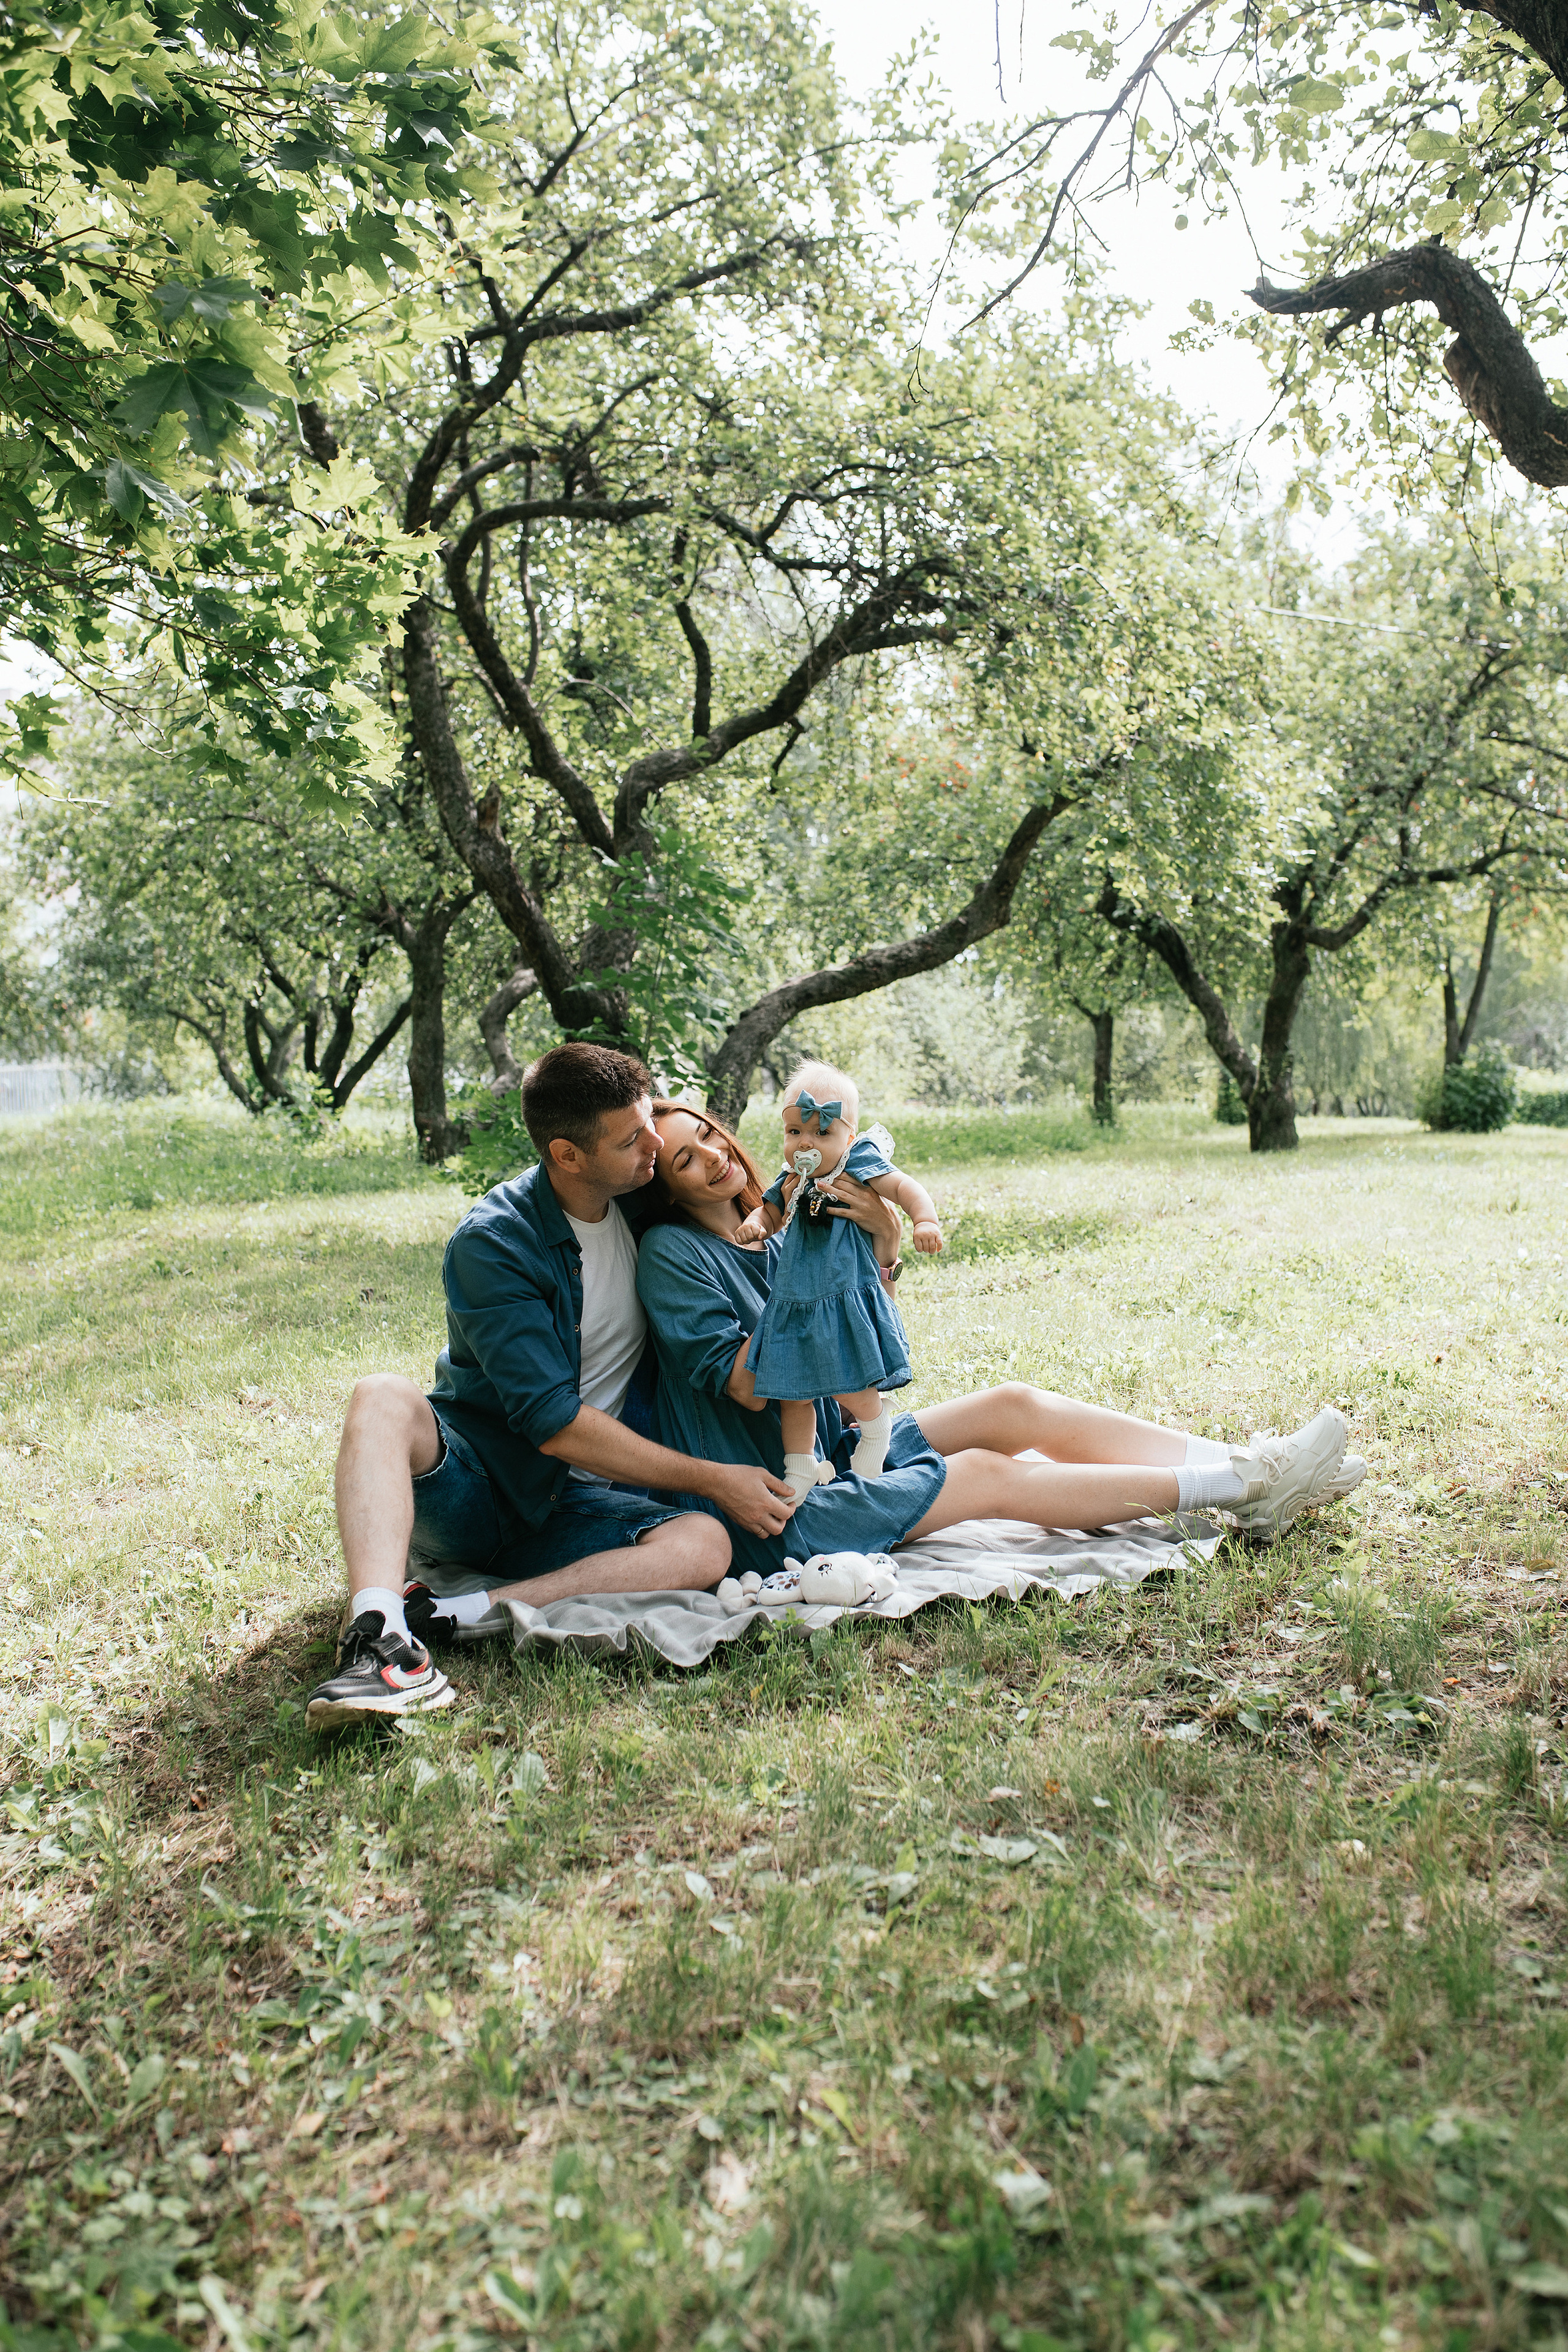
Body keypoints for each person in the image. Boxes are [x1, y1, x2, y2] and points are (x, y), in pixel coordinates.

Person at [304, 1044, 876, 1728]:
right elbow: (552, 1423)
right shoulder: (494, 1242)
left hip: (579, 1505)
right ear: (568, 1155)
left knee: (705, 1545)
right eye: (633, 1138)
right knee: (380, 1394)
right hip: (481, 1484)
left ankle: (467, 1613)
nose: (656, 1144)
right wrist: (717, 1477)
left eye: (650, 1126)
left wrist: (872, 1216)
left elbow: (759, 1216)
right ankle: (375, 1634)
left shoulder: (639, 1207)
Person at [637, 1099, 1364, 1585]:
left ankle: (1258, 1467)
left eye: (707, 1133)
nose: (711, 1155)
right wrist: (803, 1289)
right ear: (667, 1192)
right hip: (775, 1495)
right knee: (982, 1472)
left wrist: (882, 1246)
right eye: (684, 1160)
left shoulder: (793, 1217)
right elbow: (743, 1384)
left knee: (1014, 1406)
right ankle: (1247, 1488)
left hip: (838, 1441)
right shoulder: (675, 1251)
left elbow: (854, 1340)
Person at [731, 1060, 943, 1497]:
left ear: (849, 1135)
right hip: (796, 1298)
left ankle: (875, 1426)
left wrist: (924, 1220)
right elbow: (770, 1210)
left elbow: (905, 1188)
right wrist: (757, 1223)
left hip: (843, 1292)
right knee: (793, 1392)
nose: (805, 1143)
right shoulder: (792, 1178)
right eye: (795, 1133)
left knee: (852, 1382)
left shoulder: (858, 1163)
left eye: (821, 1133)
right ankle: (801, 1465)